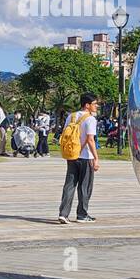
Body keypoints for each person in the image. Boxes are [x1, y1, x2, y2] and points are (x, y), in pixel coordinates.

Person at [57, 92, 100, 224]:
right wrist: (96, 158)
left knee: (69, 184)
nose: (96, 106)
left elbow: (65, 135)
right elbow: (90, 140)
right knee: (85, 186)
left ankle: (63, 213)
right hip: (86, 157)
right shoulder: (90, 119)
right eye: (94, 104)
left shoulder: (71, 116)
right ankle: (82, 214)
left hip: (72, 155)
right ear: (87, 105)